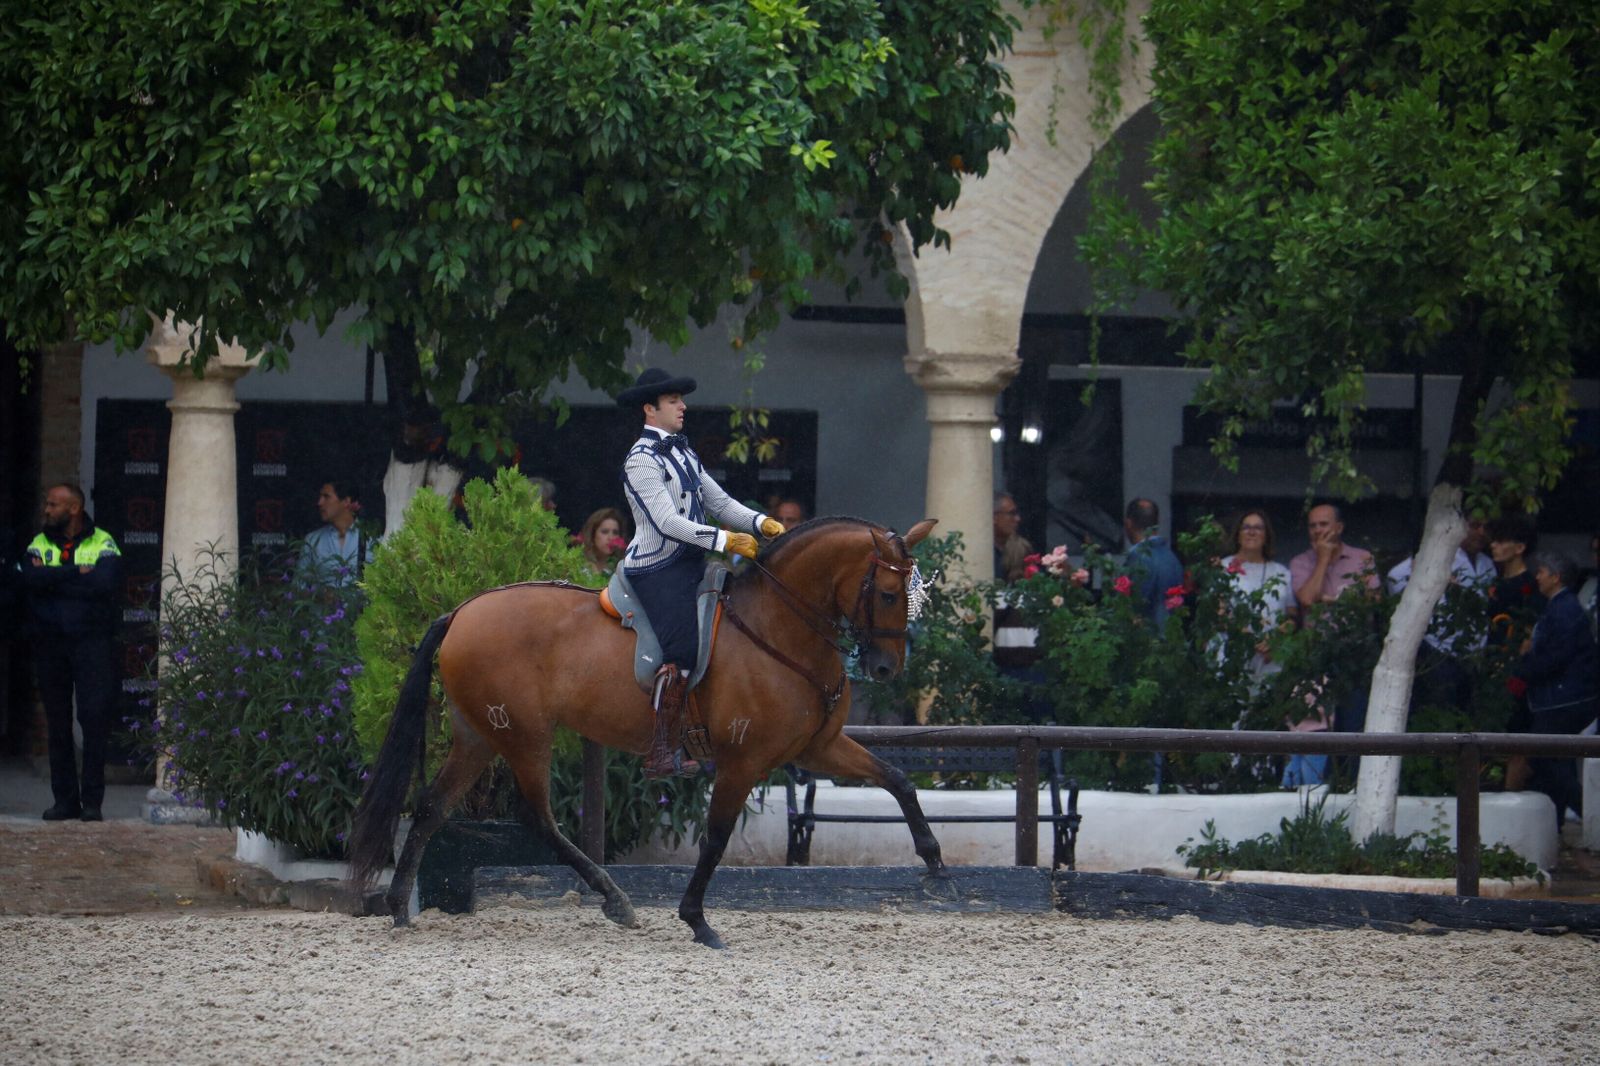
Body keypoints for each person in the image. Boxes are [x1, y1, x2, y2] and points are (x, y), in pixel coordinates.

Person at [617, 367, 785, 777]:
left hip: (693, 561)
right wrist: (725, 541)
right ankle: (661, 749)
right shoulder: (640, 461)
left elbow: (722, 503)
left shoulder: (685, 453)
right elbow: (666, 521)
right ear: (649, 409)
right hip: (656, 566)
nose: (683, 406)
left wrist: (761, 523)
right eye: (673, 400)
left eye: (681, 399)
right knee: (683, 648)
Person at [16, 484, 122, 821]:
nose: (46, 510)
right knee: (57, 724)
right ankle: (65, 801)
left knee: (93, 720)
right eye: (46, 504)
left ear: (74, 508)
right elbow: (29, 581)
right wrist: (76, 573)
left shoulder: (103, 541)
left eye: (52, 504)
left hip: (92, 642)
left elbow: (105, 584)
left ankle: (92, 802)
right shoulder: (39, 542)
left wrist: (53, 582)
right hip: (50, 643)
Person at [1516, 551, 1599, 831]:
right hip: (1562, 698)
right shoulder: (1560, 607)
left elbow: (1555, 656)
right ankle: (1556, 826)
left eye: (1541, 571)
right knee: (1553, 762)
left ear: (1556, 577)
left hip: (1563, 700)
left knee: (1549, 761)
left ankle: (1592, 818)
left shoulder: (1564, 610)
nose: (1537, 576)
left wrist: (1525, 662)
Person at [1385, 516, 1495, 717]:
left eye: (1486, 527)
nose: (1481, 532)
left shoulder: (1487, 564)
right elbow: (1400, 589)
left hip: (1475, 653)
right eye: (1475, 526)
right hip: (1438, 651)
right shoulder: (1424, 563)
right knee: (1440, 714)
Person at [1121, 497, 1184, 627]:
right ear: (1157, 523)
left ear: (1128, 523)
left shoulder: (1137, 558)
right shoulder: (1172, 558)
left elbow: (1133, 607)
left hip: (1145, 640)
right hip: (1170, 638)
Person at [299, 479, 372, 587]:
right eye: (320, 497)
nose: (319, 503)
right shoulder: (312, 540)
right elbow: (299, 587)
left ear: (346, 501)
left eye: (326, 497)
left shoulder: (372, 538)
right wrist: (321, 596)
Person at [992, 493, 1033, 583]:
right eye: (1011, 513)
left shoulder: (1022, 548)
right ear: (994, 518)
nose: (1017, 519)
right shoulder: (983, 551)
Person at [577, 507, 628, 577]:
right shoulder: (577, 564)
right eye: (605, 532)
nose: (611, 537)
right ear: (592, 534)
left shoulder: (621, 568)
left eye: (615, 533)